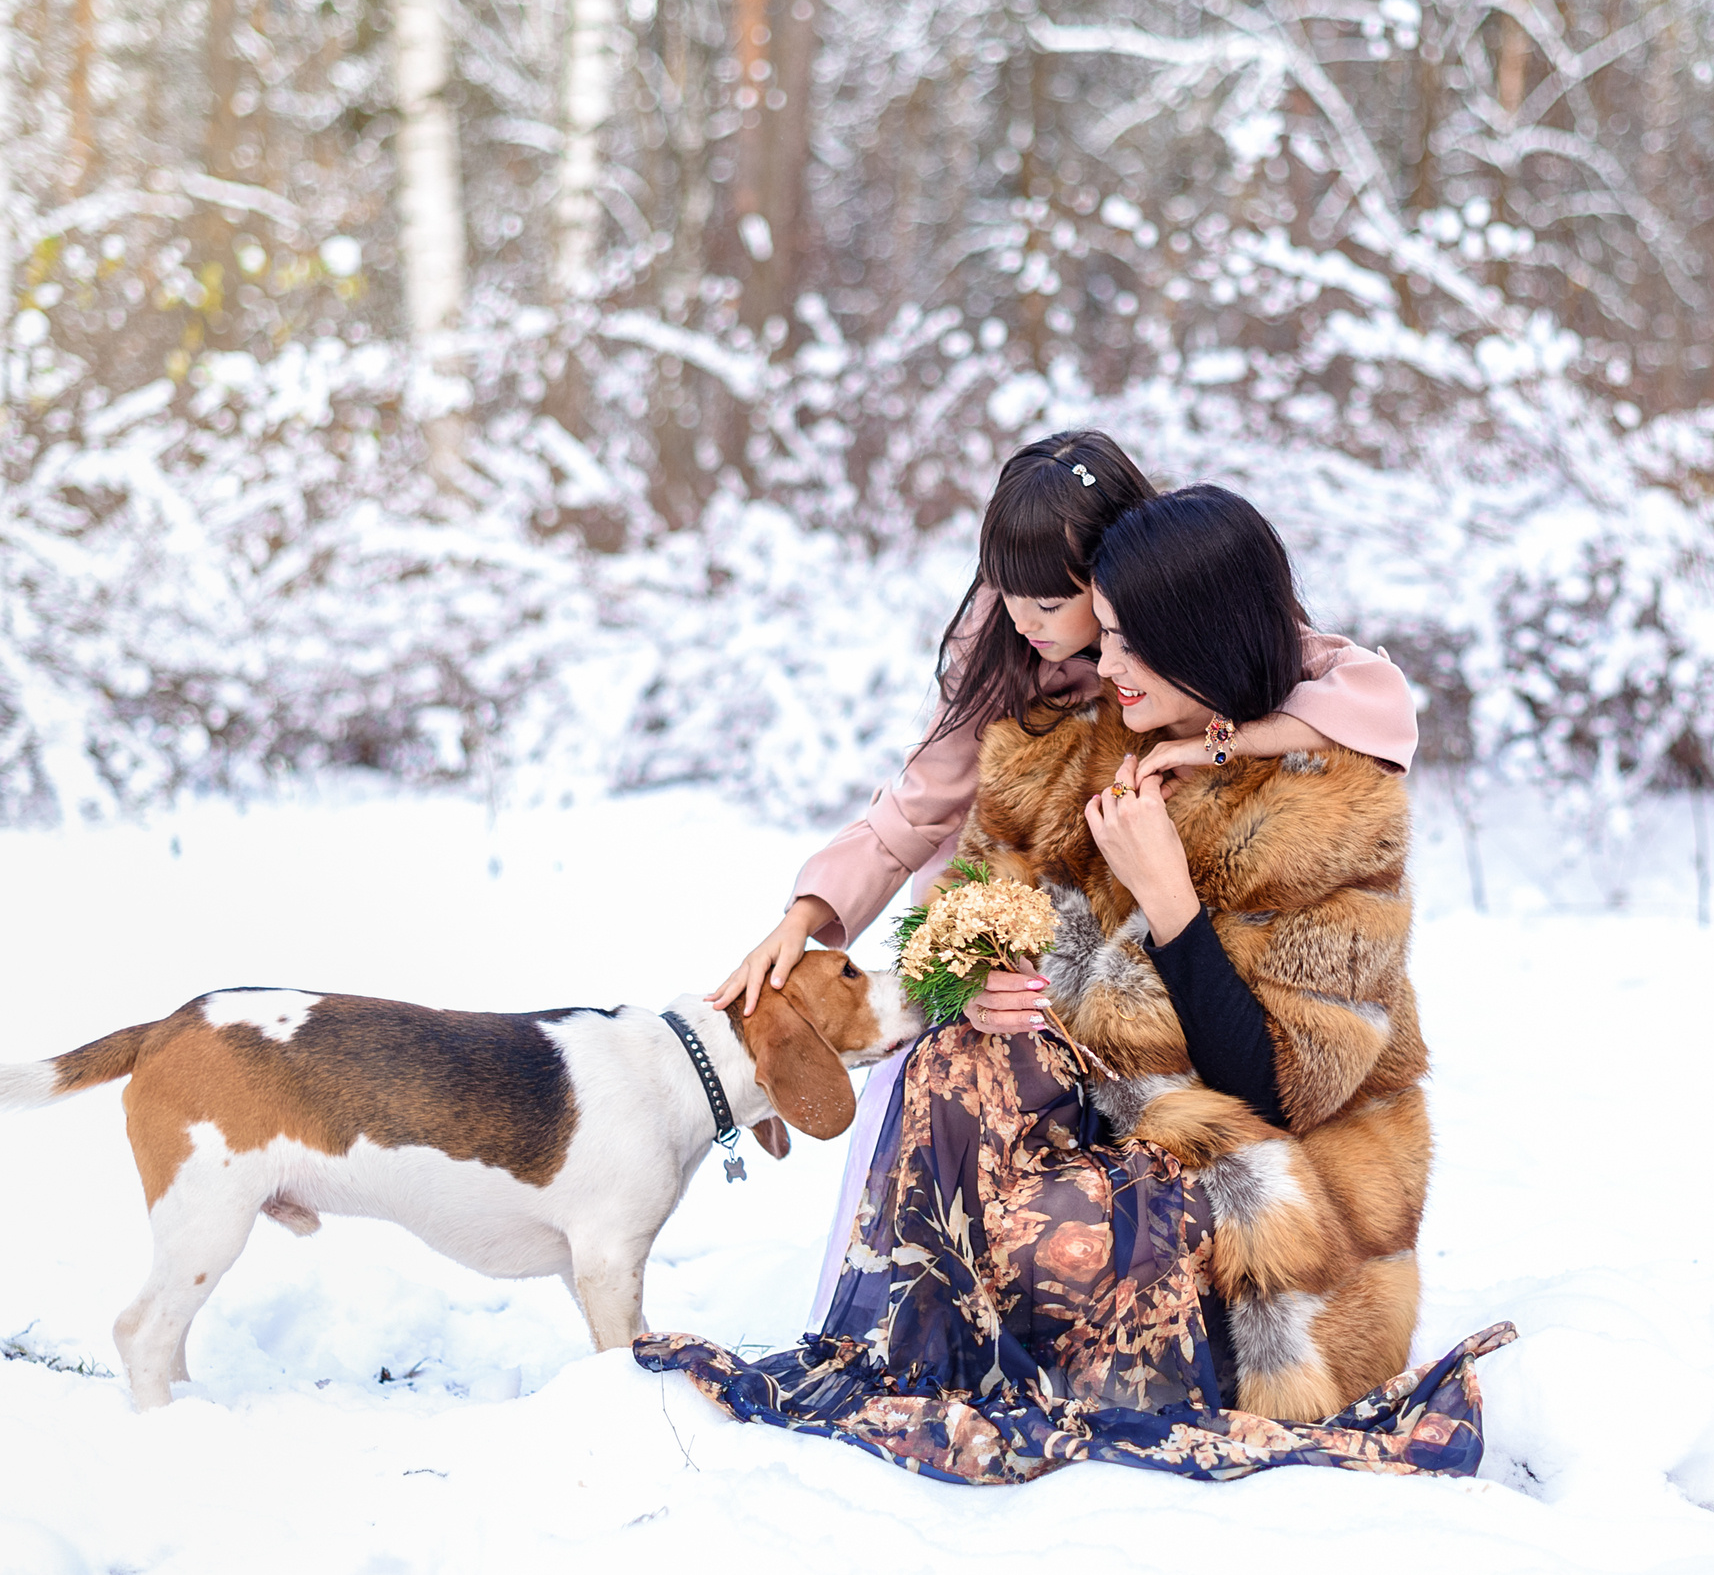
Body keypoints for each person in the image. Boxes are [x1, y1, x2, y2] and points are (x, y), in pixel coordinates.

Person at [638, 485, 1511, 1485]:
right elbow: (959, 901)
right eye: (1101, 634)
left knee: (1055, 1226)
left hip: (1282, 1178)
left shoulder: (1331, 803)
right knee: (946, 1071)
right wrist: (961, 985)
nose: (1102, 666)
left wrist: (1169, 898)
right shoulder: (1070, 730)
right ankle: (939, 1359)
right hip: (1109, 1114)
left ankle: (1131, 1351)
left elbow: (1284, 1092)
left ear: (1207, 636)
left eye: (1131, 643)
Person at [707, 430, 1421, 1315]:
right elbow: (918, 808)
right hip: (1066, 988)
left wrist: (1227, 744)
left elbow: (1366, 696)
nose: (1027, 620)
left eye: (1060, 602)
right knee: (938, 1082)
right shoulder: (1016, 670)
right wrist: (833, 926)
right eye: (1008, 594)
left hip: (1245, 1120)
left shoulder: (1247, 701)